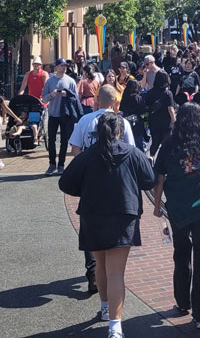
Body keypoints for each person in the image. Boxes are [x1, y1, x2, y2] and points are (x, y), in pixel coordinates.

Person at [59, 112, 156, 338]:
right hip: (124, 214)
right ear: (119, 131)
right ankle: (115, 326)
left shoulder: (88, 155)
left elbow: (65, 182)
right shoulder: (132, 153)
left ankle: (105, 308)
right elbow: (149, 179)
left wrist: (82, 190)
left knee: (100, 264)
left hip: (93, 215)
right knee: (116, 274)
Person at [153, 103, 200, 330]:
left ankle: (182, 301)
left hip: (178, 210)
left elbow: (159, 178)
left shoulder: (169, 145)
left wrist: (156, 205)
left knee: (181, 254)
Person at [69, 85, 136, 295]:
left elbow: (75, 150)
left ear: (97, 100)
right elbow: (132, 151)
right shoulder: (122, 123)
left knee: (90, 229)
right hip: (117, 183)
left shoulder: (84, 120)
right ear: (115, 101)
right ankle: (110, 273)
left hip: (91, 182)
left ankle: (94, 275)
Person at [42, 58, 79, 175]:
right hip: (53, 114)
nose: (64, 68)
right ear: (56, 67)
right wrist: (51, 95)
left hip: (65, 114)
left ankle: (61, 164)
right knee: (51, 140)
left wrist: (66, 95)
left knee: (64, 140)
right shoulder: (50, 81)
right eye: (62, 66)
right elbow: (43, 97)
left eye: (65, 66)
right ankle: (52, 164)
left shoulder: (70, 81)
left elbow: (75, 98)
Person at [144, 69, 176, 157]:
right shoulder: (168, 93)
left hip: (153, 121)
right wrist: (174, 122)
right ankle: (164, 162)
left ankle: (151, 157)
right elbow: (171, 109)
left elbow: (147, 106)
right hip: (165, 123)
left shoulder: (150, 92)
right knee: (166, 144)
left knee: (155, 142)